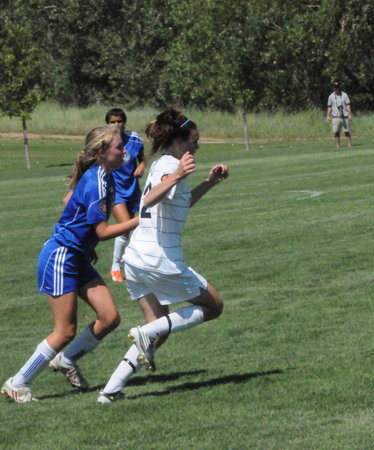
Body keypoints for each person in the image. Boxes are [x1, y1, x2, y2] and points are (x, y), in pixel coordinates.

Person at [97, 109, 228, 404]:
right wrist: (179, 174)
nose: (197, 145)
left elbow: (180, 201)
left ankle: (111, 390)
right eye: (194, 139)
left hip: (136, 258)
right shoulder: (170, 165)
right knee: (214, 306)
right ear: (179, 140)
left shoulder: (162, 164)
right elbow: (150, 197)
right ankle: (146, 332)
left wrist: (209, 182)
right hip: (158, 259)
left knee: (160, 327)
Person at [1, 126, 139, 403]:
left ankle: (67, 360)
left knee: (110, 317)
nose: (124, 150)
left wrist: (86, 244)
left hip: (77, 256)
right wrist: (141, 219)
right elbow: (102, 231)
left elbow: (71, 202)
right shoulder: (97, 181)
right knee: (65, 331)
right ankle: (17, 383)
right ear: (102, 151)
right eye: (118, 146)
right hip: (61, 257)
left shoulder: (105, 177)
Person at [105, 108, 146, 283]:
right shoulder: (104, 141)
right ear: (107, 123)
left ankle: (124, 264)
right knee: (126, 226)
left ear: (124, 122)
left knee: (127, 230)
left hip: (132, 188)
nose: (116, 125)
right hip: (114, 190)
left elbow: (142, 158)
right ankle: (116, 267)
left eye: (119, 121)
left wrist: (142, 165)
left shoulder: (134, 139)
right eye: (112, 122)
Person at [326, 82, 352, 148]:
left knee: (346, 131)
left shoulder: (344, 95)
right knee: (336, 132)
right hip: (336, 116)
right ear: (334, 88)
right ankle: (337, 146)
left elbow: (348, 105)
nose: (337, 89)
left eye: (338, 87)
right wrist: (328, 115)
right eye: (335, 88)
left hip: (344, 116)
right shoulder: (331, 96)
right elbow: (329, 107)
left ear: (340, 88)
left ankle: (349, 145)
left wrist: (349, 114)